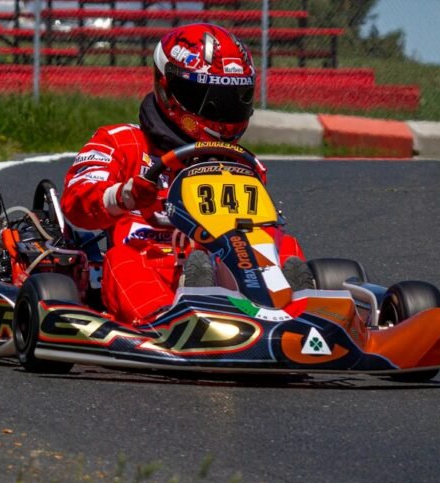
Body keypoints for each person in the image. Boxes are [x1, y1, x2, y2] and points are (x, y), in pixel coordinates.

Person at [60, 23, 304, 325]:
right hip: (152, 260)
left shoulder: (241, 163)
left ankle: (301, 313)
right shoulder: (122, 142)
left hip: (229, 261)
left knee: (285, 246)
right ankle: (172, 320)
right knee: (122, 261)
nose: (221, 112)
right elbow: (76, 201)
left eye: (231, 99)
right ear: (168, 89)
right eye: (209, 99)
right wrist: (125, 195)